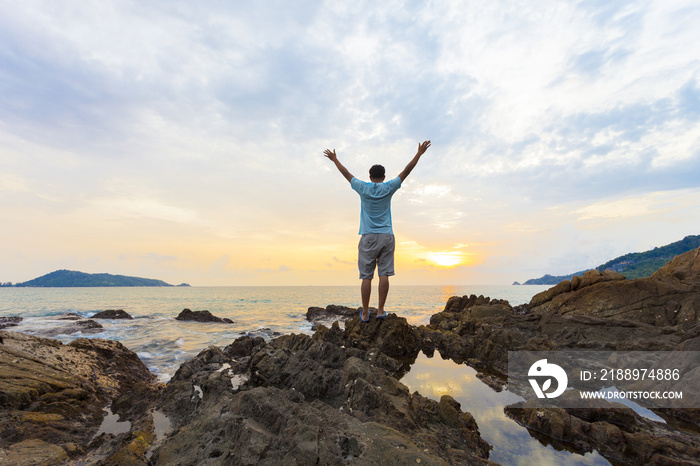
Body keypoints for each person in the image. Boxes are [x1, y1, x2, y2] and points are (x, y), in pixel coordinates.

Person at [323, 140, 431, 322]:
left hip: (368, 237)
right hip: (387, 236)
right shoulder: (388, 187)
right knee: (384, 274)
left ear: (370, 176)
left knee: (366, 277)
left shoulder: (363, 187)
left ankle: (365, 312)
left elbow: (346, 173)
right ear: (384, 176)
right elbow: (406, 172)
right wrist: (419, 153)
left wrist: (334, 159)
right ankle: (380, 310)